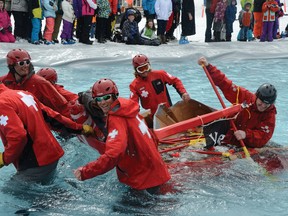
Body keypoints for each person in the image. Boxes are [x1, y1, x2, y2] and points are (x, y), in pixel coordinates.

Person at [74, 78, 171, 194]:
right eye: (98, 99)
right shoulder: (130, 110)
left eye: (106, 98)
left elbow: (113, 154)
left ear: (114, 96)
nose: (102, 102)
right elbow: (153, 137)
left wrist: (85, 171)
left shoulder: (116, 119)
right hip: (158, 172)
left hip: (143, 181)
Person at [0, 83, 93, 183]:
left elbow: (18, 136)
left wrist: (4, 158)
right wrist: (79, 129)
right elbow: (52, 117)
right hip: (51, 155)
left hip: (37, 162)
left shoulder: (2, 103)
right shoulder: (22, 94)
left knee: (13, 191)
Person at [198, 57, 277, 148]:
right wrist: (208, 67)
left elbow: (264, 137)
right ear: (257, 96)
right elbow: (225, 84)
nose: (263, 106)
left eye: (266, 104)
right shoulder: (246, 97)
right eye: (261, 102)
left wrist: (246, 134)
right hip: (226, 135)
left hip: (242, 145)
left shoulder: (270, 115)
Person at [0, 48, 71, 118]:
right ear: (12, 66)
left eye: (27, 62)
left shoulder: (40, 82)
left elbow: (62, 107)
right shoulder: (3, 82)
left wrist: (75, 126)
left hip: (35, 122)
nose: (26, 66)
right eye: (21, 63)